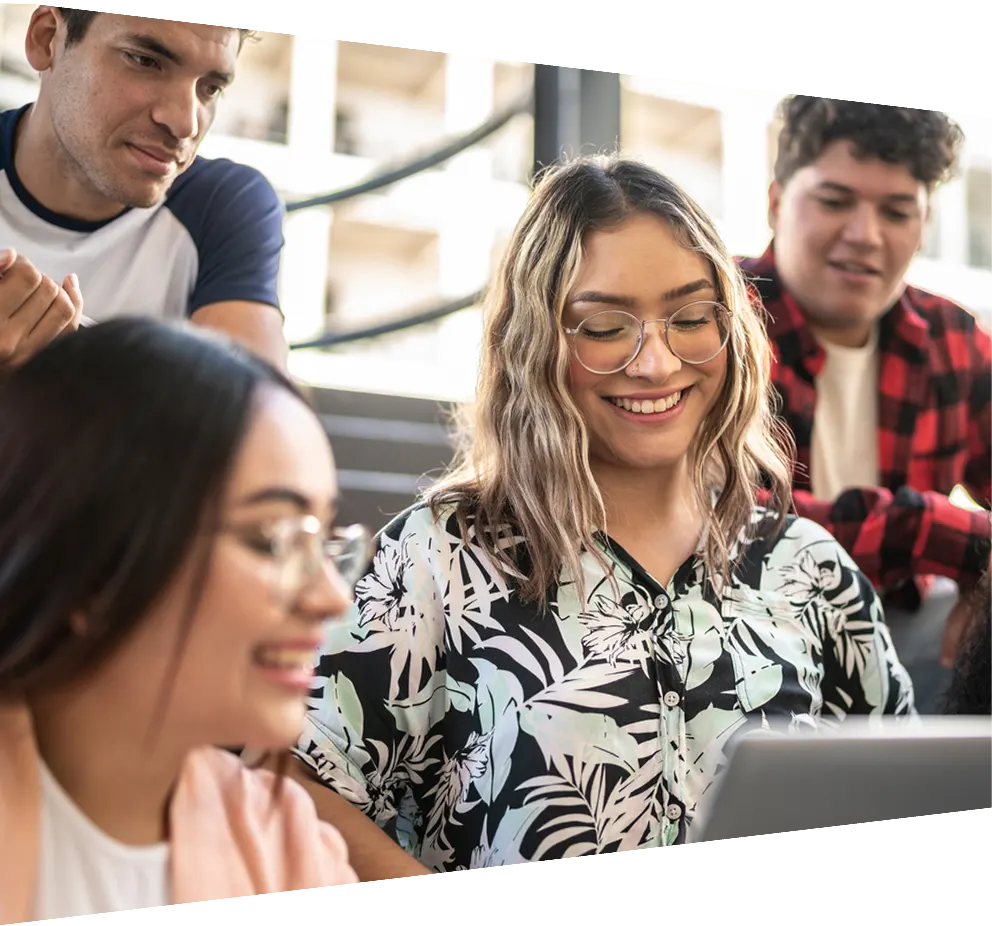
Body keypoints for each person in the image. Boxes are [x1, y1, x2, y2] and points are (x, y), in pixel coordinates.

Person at [292, 155, 916, 874]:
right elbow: (298, 782)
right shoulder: (439, 556)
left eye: (689, 318)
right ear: (534, 344)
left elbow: (903, 812)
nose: (655, 364)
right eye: (602, 327)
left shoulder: (808, 567)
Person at [0, 318, 364, 923]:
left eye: (328, 542)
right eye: (274, 539)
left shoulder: (295, 852)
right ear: (93, 564)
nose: (332, 598)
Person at [738, 95, 992, 711]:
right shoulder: (711, 321)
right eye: (834, 201)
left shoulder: (952, 341)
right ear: (775, 201)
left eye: (897, 210)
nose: (865, 235)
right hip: (744, 638)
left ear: (923, 223)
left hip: (906, 645)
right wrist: (945, 534)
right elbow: (737, 522)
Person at [0, 5, 288, 371]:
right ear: (46, 40)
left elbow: (258, 419)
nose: (184, 123)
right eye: (145, 61)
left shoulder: (222, 204)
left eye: (210, 88)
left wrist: (56, 377)